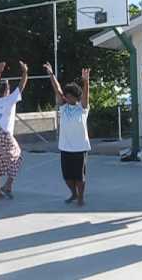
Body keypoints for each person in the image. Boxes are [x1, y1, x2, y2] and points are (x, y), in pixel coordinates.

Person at [44, 62, 90, 206]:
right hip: (65, 148)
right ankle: (73, 194)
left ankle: (81, 197)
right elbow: (57, 90)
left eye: (71, 96)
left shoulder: (82, 109)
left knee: (80, 178)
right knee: (67, 178)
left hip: (80, 149)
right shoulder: (63, 108)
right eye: (67, 96)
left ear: (76, 97)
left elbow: (86, 96)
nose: (68, 98)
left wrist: (86, 81)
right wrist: (51, 74)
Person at [0, 61, 28, 199]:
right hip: (4, 134)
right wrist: (25, 72)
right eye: (8, 88)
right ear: (6, 91)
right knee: (17, 156)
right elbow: (21, 86)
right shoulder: (9, 100)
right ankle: (8, 185)